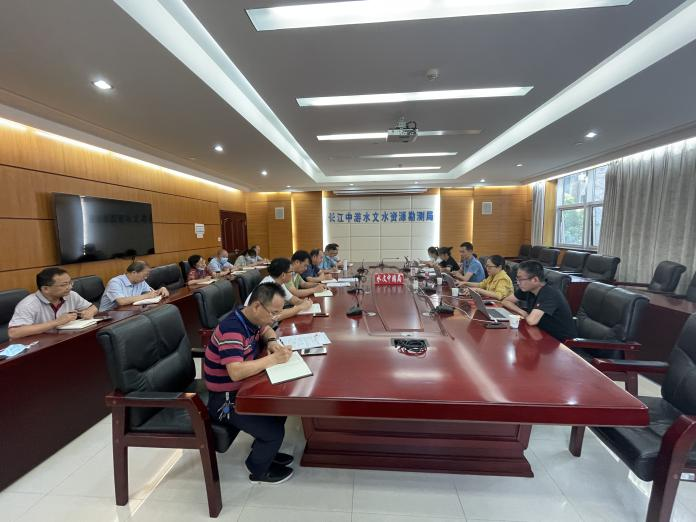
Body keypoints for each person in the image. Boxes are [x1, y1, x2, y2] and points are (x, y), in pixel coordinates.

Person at [204, 282, 295, 484]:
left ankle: (264, 451)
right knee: (274, 432)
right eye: (273, 313)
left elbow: (266, 329)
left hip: (244, 389)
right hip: (224, 401)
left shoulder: (249, 318)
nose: (275, 318)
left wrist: (272, 342)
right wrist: (273, 359)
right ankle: (258, 470)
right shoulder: (232, 329)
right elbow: (235, 372)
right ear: (256, 306)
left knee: (280, 409)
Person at [8, 267, 98, 339]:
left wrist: (89, 312)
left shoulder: (71, 295)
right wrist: (56, 322)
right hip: (40, 346)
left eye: (70, 283)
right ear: (45, 289)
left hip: (65, 339)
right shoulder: (29, 304)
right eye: (64, 285)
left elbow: (93, 308)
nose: (70, 287)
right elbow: (14, 332)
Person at [501, 260, 577, 341]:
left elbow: (531, 321)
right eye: (517, 278)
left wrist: (526, 315)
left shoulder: (550, 293)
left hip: (561, 342)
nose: (518, 283)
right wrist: (522, 312)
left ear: (535, 280)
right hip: (540, 333)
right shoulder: (528, 288)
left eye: (520, 279)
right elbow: (506, 301)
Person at [244, 258, 313, 320]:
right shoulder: (269, 287)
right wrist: (300, 307)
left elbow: (292, 299)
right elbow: (277, 315)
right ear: (283, 275)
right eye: (291, 272)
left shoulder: (279, 282)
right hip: (253, 323)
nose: (292, 274)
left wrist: (305, 302)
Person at [99, 260, 169, 311]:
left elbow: (150, 294)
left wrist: (160, 290)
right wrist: (147, 296)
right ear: (134, 273)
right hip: (108, 316)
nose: (146, 278)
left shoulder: (141, 281)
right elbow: (122, 301)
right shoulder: (115, 282)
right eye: (145, 275)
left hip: (128, 311)